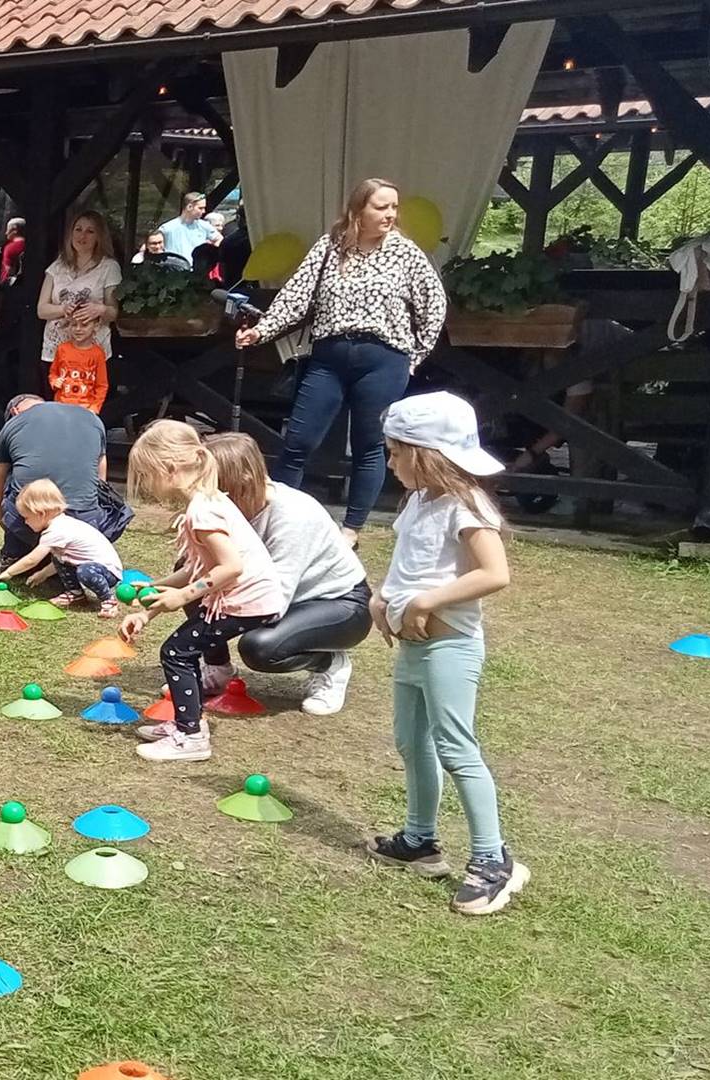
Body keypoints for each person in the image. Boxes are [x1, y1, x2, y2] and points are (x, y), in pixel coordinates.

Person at [368, 391, 525, 916]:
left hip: (450, 645)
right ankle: (420, 839)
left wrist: (427, 602)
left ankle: (493, 859)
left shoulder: (466, 505)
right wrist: (382, 599)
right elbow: (411, 563)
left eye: (396, 453)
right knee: (411, 742)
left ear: (426, 454)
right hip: (414, 647)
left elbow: (494, 574)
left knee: (456, 748)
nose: (391, 463)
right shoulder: (419, 501)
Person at [238, 177, 448, 547]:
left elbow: (434, 303)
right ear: (358, 211)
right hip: (330, 356)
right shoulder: (330, 246)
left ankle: (351, 529)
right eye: (381, 207)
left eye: (394, 207)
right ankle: (275, 520)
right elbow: (296, 296)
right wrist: (261, 330)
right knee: (299, 441)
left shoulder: (405, 252)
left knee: (369, 444)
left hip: (384, 359)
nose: (390, 214)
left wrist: (416, 354)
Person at [119, 420, 287, 764]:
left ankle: (191, 736)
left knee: (176, 652)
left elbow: (231, 567)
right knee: (183, 649)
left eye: (147, 475)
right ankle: (188, 724)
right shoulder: (206, 502)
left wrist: (181, 597)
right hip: (244, 598)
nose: (147, 485)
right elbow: (196, 570)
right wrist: (154, 594)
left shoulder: (203, 511)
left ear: (169, 469)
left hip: (247, 601)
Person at [199, 433, 370, 716]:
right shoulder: (231, 510)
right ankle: (217, 668)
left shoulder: (293, 516)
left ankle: (330, 664)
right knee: (196, 580)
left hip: (341, 605)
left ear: (242, 482)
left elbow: (272, 603)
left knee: (259, 648)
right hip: (284, 596)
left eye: (216, 488)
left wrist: (209, 610)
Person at [0, 395, 128, 566]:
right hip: (85, 523)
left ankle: (15, 552)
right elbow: (100, 480)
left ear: (14, 411)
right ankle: (82, 556)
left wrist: (13, 529)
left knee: (12, 476)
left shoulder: (13, 424)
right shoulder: (92, 419)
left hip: (30, 522)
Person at [0, 479, 123, 613]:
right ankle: (76, 594)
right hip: (94, 566)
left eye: (26, 517)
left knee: (85, 571)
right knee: (58, 557)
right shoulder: (60, 525)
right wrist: (43, 574)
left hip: (108, 571)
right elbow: (61, 561)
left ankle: (108, 600)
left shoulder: (56, 531)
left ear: (41, 514)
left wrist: (8, 573)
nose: (25, 522)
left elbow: (32, 559)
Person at [35, 210, 122, 376]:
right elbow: (41, 310)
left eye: (90, 231)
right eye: (78, 229)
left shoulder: (109, 267)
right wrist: (63, 309)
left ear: (99, 237)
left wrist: (100, 309)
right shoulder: (57, 266)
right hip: (57, 350)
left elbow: (114, 312)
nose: (83, 236)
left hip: (91, 351)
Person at [157, 192, 215, 268]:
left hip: (197, 270)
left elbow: (220, 240)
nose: (204, 211)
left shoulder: (205, 226)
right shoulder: (167, 228)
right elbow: (151, 244)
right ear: (189, 207)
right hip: (174, 270)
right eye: (200, 208)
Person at [0, 217, 27, 284]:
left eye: (8, 229)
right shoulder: (30, 245)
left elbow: (9, 270)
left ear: (15, 230)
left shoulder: (9, 248)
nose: (6, 233)